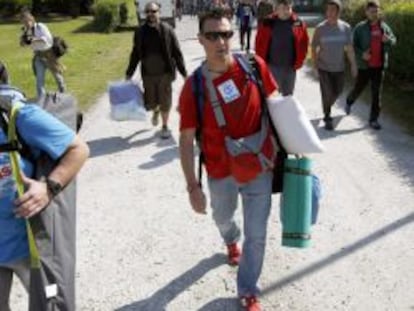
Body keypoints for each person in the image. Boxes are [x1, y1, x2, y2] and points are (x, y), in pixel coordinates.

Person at [178, 9, 279, 311]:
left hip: (259, 166)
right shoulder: (193, 86)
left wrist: (296, 145)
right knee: (222, 216)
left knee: (258, 234)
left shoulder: (253, 65)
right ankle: (230, 239)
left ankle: (247, 290)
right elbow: (185, 140)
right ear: (200, 40)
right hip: (220, 172)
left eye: (226, 34)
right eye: (213, 35)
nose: (221, 41)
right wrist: (193, 187)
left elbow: (276, 106)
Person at [0, 60, 89, 311]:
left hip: (31, 248)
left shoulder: (19, 116)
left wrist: (48, 188)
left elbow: (79, 149)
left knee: (51, 306)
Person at [126, 1, 187, 139]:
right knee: (151, 103)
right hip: (148, 74)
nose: (150, 14)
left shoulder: (167, 30)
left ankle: (165, 126)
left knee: (165, 100)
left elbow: (177, 53)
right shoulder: (140, 32)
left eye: (153, 11)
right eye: (147, 12)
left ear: (159, 12)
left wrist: (184, 73)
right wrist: (129, 73)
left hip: (165, 73)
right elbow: (135, 53)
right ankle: (156, 111)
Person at [345, 0, 396, 130]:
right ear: (366, 12)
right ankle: (349, 101)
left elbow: (394, 40)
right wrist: (362, 54)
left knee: (376, 94)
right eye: (371, 11)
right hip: (364, 66)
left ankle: (373, 120)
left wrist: (388, 40)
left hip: (379, 66)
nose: (374, 13)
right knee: (359, 88)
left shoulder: (384, 27)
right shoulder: (360, 28)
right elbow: (352, 45)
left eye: (376, 11)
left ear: (379, 11)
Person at [311, 0, 357, 130]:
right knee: (326, 92)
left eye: (333, 10)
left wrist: (353, 64)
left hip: (339, 67)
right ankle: (327, 116)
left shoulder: (345, 28)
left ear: (338, 12)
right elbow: (314, 47)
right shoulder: (320, 28)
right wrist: (315, 66)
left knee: (338, 91)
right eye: (328, 10)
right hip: (323, 67)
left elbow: (349, 48)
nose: (330, 13)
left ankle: (327, 106)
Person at [255, 0, 309, 96]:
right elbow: (258, 43)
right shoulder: (267, 22)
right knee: (272, 97)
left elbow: (304, 43)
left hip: (291, 68)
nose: (286, 11)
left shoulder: (298, 23)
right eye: (283, 8)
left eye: (288, 8)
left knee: (288, 97)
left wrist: (300, 61)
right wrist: (261, 63)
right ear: (277, 8)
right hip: (272, 67)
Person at [19, 10, 66, 100]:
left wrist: (33, 40)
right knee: (39, 81)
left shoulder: (40, 27)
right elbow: (23, 44)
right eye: (24, 22)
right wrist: (23, 41)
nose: (26, 23)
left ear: (32, 19)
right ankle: (42, 100)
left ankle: (63, 96)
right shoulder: (26, 31)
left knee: (58, 78)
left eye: (27, 21)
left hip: (49, 56)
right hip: (38, 57)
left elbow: (47, 39)